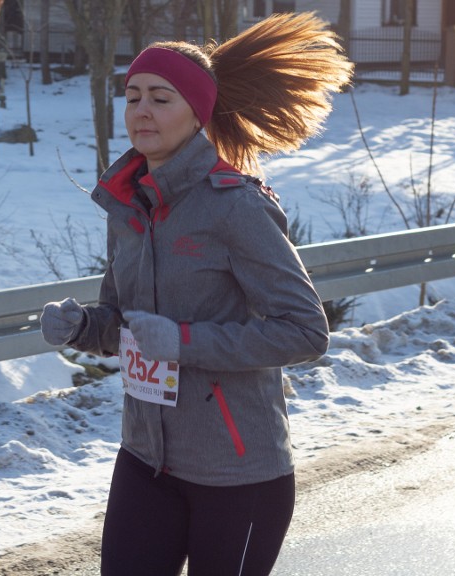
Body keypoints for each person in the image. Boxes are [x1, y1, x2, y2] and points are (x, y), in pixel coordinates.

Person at [40, 12, 353, 576]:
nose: (141, 110)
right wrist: (83, 327)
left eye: (161, 98)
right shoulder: (127, 204)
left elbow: (307, 331)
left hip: (237, 473)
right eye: (132, 96)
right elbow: (125, 321)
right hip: (145, 458)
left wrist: (183, 342)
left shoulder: (236, 205)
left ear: (196, 113)